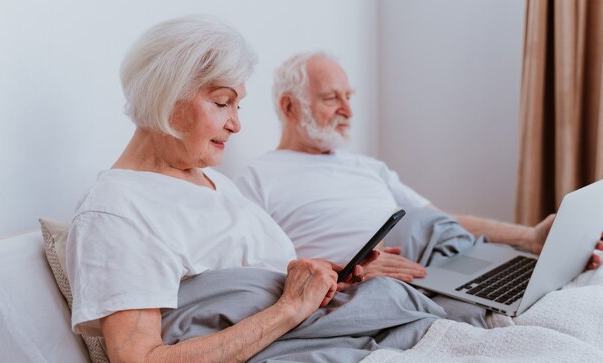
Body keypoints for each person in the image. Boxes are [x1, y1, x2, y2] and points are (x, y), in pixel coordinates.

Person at [65, 20, 346, 363]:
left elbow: (264, 274)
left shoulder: (215, 181)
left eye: (238, 105)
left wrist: (324, 279)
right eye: (221, 103)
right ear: (167, 98)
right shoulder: (115, 210)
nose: (236, 123)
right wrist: (289, 309)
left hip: (316, 347)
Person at [234, 51, 603, 286]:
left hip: (438, 262)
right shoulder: (257, 177)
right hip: (368, 283)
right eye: (332, 98)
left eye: (350, 97)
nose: (348, 110)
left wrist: (530, 238)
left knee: (509, 272)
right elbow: (256, 268)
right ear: (289, 107)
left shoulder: (368, 167)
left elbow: (439, 221)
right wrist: (347, 272)